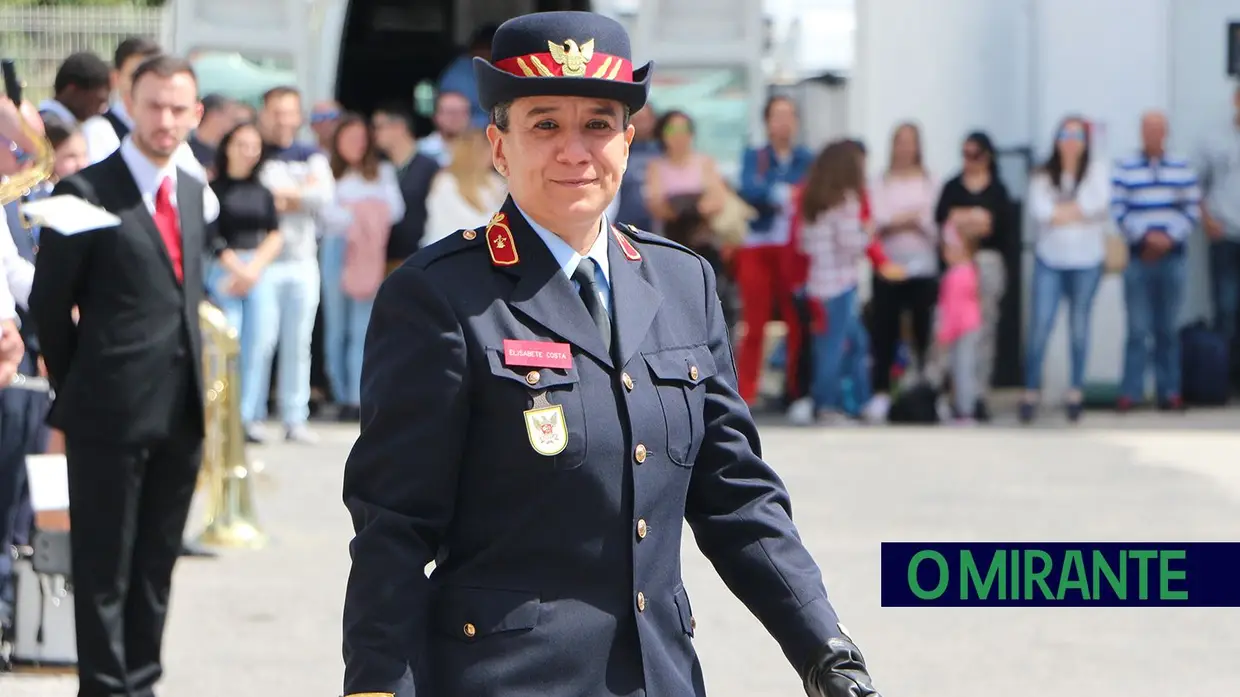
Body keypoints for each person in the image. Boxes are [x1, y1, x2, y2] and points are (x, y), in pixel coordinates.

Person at [340, 11, 883, 697]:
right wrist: (376, 688)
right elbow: (394, 528)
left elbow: (736, 496)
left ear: (628, 142)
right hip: (504, 680)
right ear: (498, 146)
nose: (575, 150)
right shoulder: (440, 296)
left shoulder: (681, 282)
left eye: (598, 124)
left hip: (660, 677)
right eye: (545, 124)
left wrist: (824, 647)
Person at [29, 54, 218, 697]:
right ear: (130, 108)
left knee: (156, 564)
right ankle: (106, 688)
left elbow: (184, 297)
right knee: (104, 564)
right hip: (105, 411)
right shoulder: (79, 191)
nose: (166, 120)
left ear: (195, 114)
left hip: (180, 410)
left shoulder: (193, 191)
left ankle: (142, 680)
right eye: (154, 105)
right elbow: (51, 307)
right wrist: (78, 386)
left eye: (178, 108)